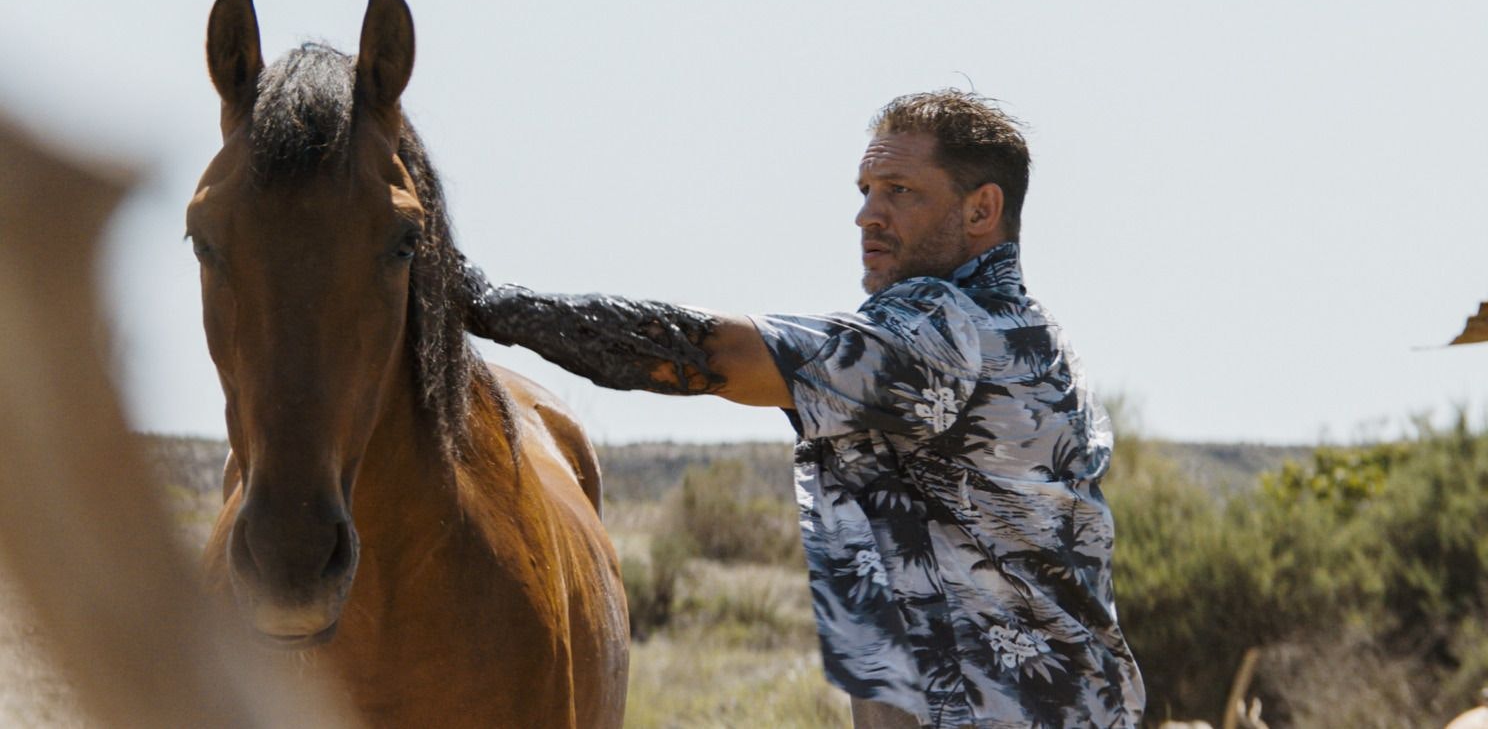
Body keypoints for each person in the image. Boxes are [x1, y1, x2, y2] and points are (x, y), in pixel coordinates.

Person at [460, 90, 1145, 728]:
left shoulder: (945, 330)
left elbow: (716, 354)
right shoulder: (1033, 337)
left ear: (980, 210)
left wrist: (490, 306)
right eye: (866, 191)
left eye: (899, 191)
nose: (867, 215)